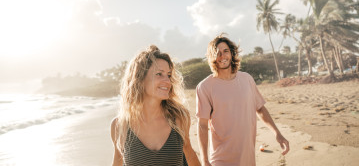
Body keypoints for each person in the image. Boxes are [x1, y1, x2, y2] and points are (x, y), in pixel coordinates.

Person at [196, 33, 289, 166]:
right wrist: (204, 160)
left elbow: (260, 108)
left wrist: (277, 133)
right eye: (217, 53)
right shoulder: (204, 87)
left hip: (247, 157)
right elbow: (202, 125)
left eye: (225, 51)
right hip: (220, 159)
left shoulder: (247, 79)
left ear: (232, 54)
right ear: (212, 57)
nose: (222, 56)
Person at [111, 45, 201, 166]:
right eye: (159, 74)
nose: (168, 81)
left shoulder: (179, 118)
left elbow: (190, 155)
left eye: (168, 75)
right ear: (140, 79)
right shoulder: (119, 126)